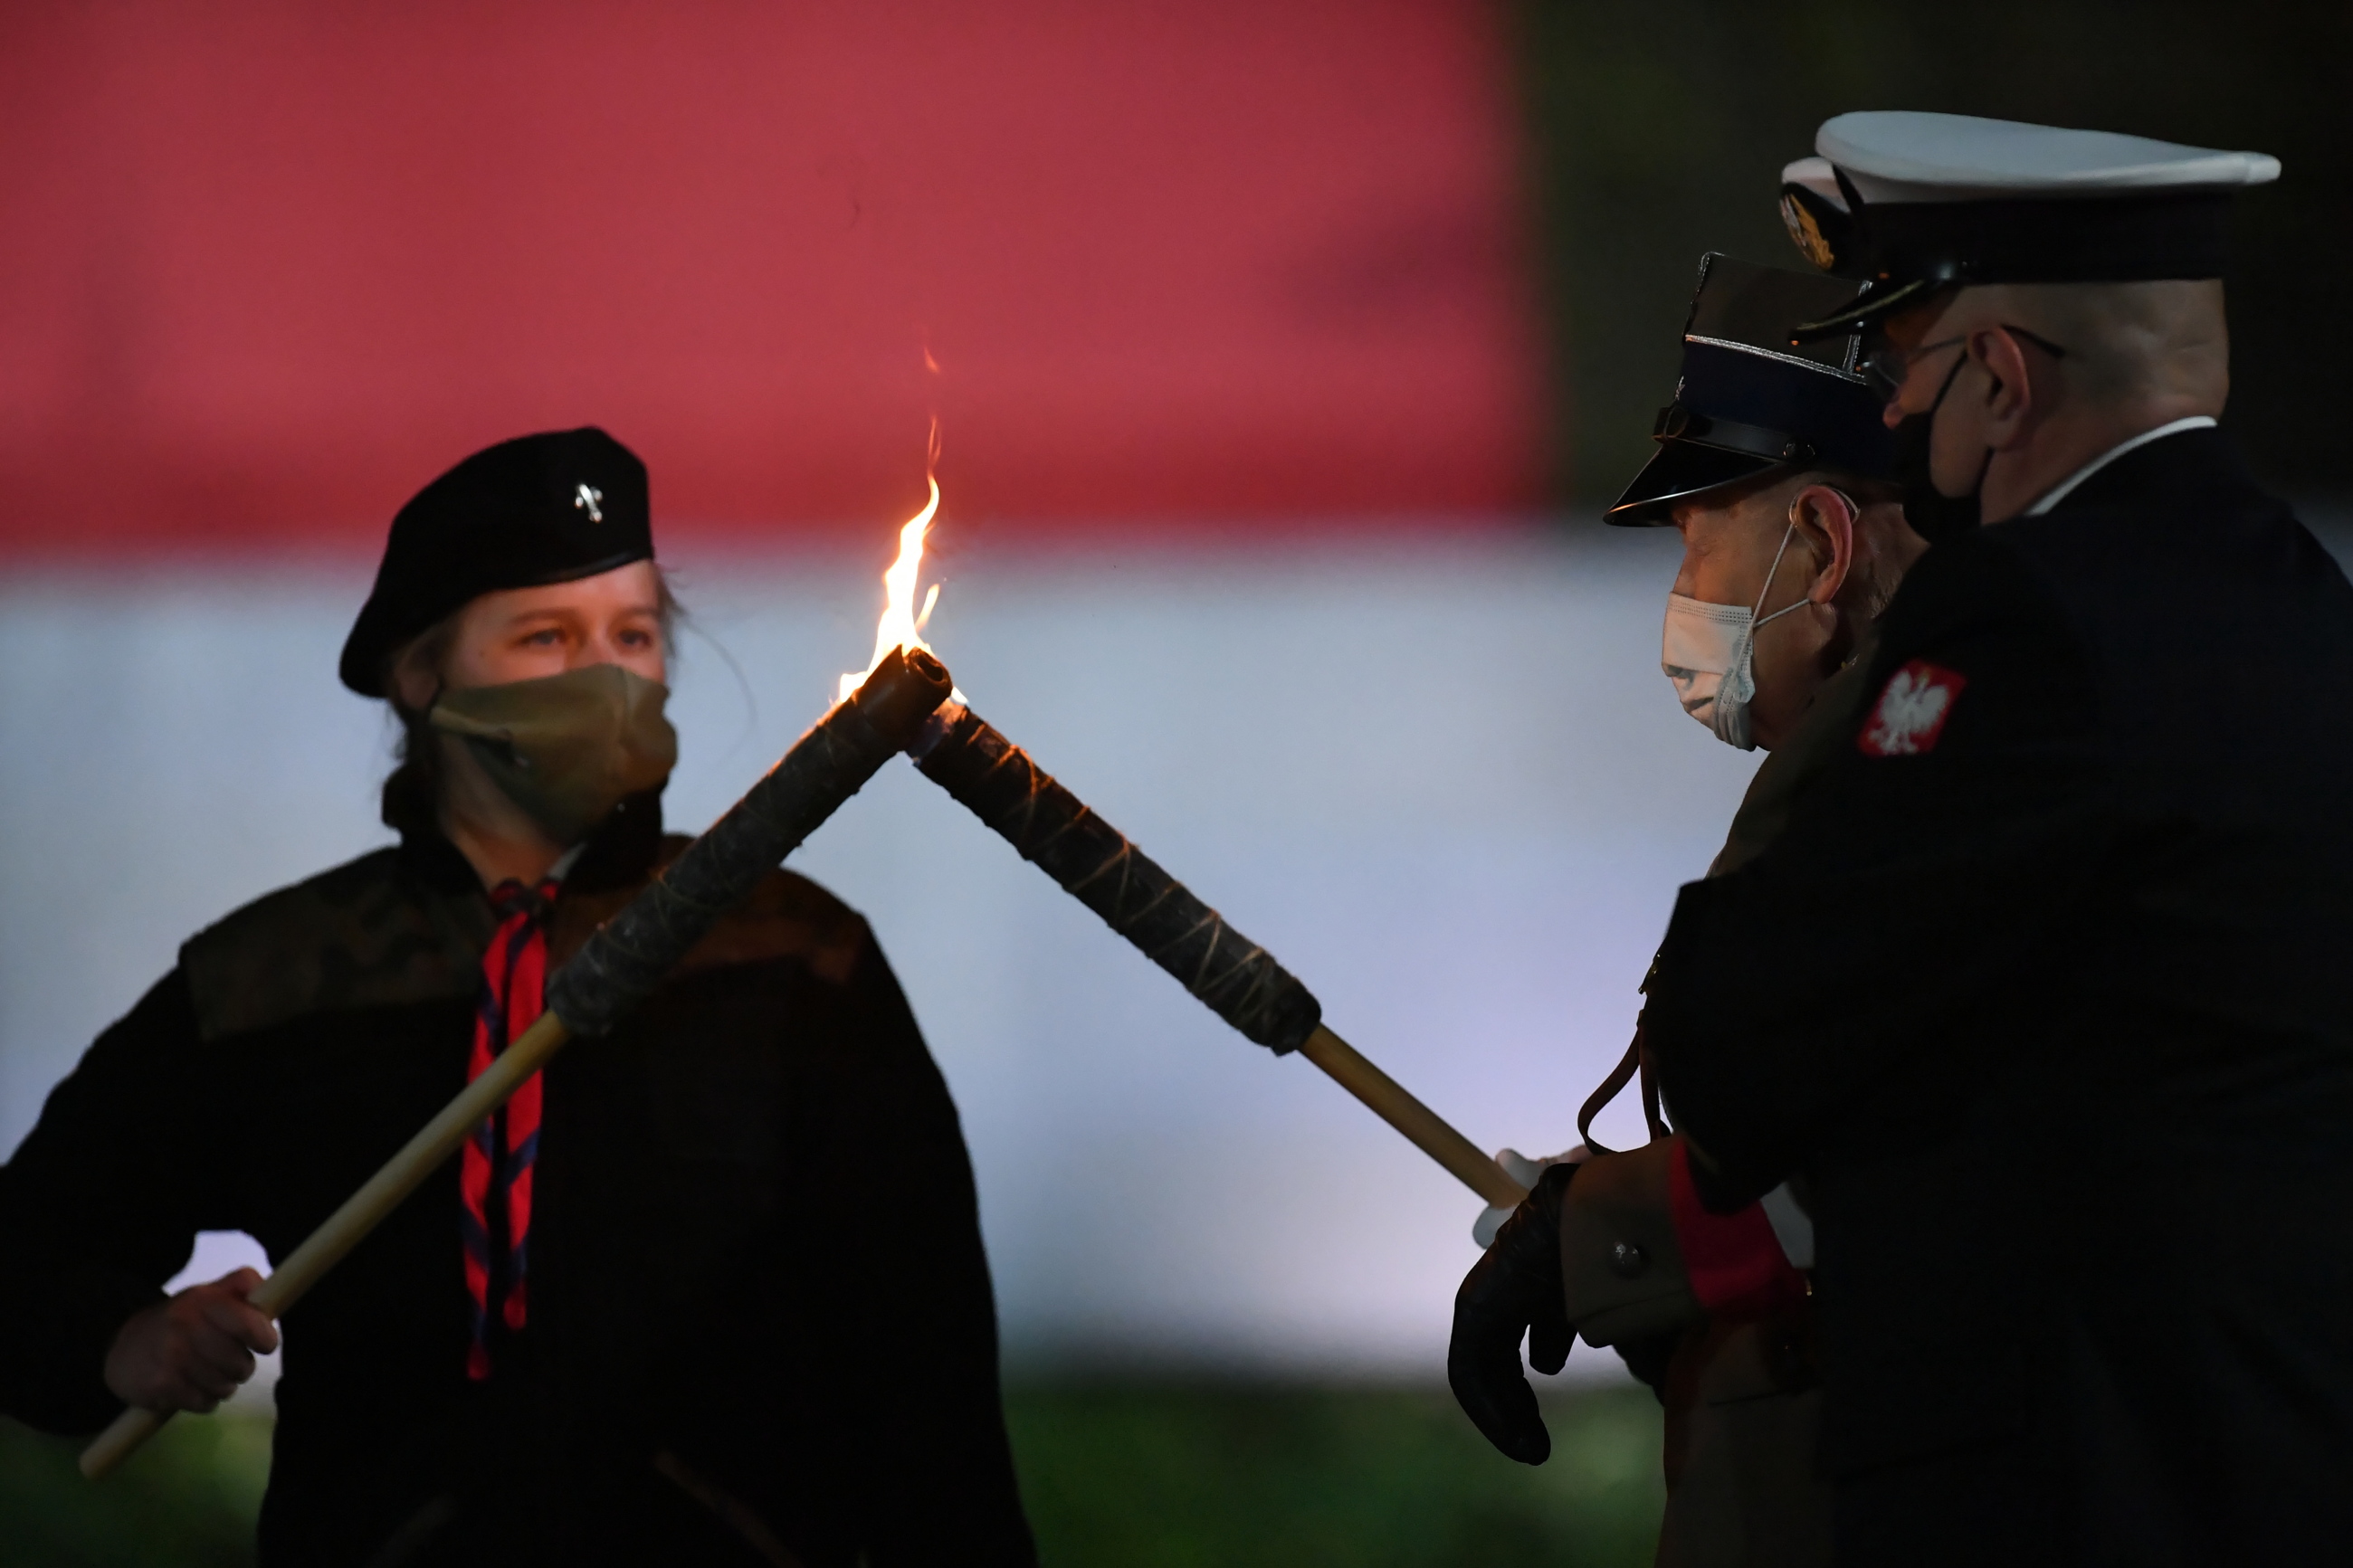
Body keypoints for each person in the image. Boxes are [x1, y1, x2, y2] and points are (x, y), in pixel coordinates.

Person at [1478, 109, 2353, 1564]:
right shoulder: (2295, 609)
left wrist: (1621, 1224)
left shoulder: (2028, 621)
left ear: (2000, 378)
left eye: (1911, 370)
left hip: (2069, 1475)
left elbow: (1762, 1038)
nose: (1895, 419)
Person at [0, 429, 1038, 1567]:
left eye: (633, 634)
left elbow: (929, 1384)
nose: (606, 674)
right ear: (420, 673)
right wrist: (121, 1341)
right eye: (547, 635)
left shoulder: (792, 958)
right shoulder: (274, 979)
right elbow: (23, 1254)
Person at [1454, 253, 1924, 1568]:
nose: (1688, 595)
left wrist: (1608, 1232)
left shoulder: (1909, 790)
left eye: (1700, 534)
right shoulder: (1893, 760)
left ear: (1825, 545)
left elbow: (1916, 1168)